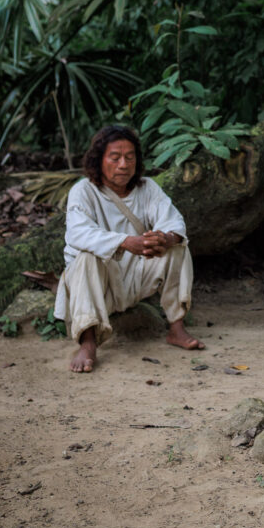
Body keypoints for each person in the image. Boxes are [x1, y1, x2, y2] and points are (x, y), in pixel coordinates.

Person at [54, 124, 204, 373]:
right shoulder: (83, 191)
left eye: (129, 157)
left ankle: (176, 328)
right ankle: (89, 341)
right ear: (99, 160)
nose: (123, 164)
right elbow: (78, 234)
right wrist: (125, 242)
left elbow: (174, 223)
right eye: (115, 157)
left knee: (178, 247)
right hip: (98, 285)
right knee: (85, 258)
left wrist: (163, 239)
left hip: (135, 279)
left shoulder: (148, 188)